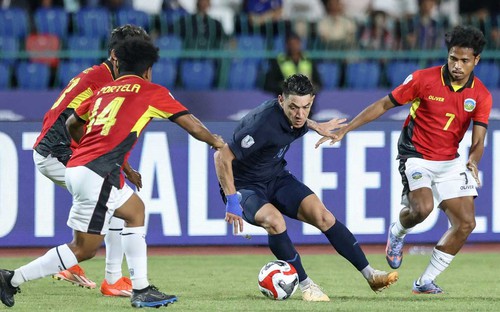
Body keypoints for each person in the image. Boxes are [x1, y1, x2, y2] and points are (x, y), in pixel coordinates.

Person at [0, 38, 225, 308]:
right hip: (99, 174)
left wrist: (91, 150)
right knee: (83, 249)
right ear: (148, 70)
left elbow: (73, 123)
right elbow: (192, 125)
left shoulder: (105, 90)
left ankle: (141, 288)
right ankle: (12, 278)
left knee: (135, 211)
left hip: (80, 166)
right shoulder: (151, 91)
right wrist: (216, 142)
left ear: (119, 63)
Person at [316, 25, 491, 294]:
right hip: (416, 154)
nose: (457, 65)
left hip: (450, 161)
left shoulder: (481, 95)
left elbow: (478, 140)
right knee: (422, 209)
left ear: (476, 60)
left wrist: (473, 161)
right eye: (453, 58)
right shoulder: (424, 79)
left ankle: (424, 282)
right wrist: (348, 128)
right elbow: (385, 104)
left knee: (466, 223)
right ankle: (397, 232)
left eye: (465, 60)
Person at [214, 73, 399, 302]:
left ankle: (371, 275)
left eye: (306, 106)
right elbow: (221, 156)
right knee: (275, 221)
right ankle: (306, 285)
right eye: (293, 107)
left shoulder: (299, 118)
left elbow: (301, 120)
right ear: (281, 100)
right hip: (245, 186)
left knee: (323, 216)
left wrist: (315, 125)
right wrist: (232, 199)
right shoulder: (262, 123)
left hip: (276, 177)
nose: (299, 114)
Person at [31, 24, 150, 296]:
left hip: (64, 149)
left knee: (118, 200)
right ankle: (110, 279)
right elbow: (96, 133)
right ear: (115, 55)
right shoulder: (106, 81)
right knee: (118, 200)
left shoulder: (101, 74)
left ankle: (98, 273)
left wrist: (124, 167)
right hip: (57, 150)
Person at [264, 32, 322, 97]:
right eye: (291, 44)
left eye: (296, 44)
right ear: (286, 45)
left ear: (300, 44)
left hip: (305, 100)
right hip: (286, 99)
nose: (294, 47)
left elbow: (318, 83)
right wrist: (285, 87)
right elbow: (269, 84)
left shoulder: (308, 60)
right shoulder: (279, 61)